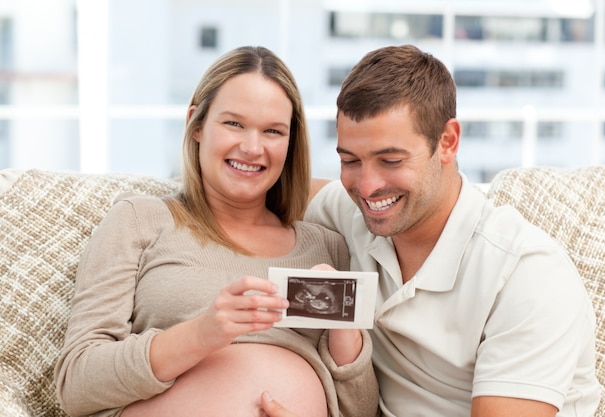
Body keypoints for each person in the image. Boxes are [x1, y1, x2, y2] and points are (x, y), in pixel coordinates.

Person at [54, 46, 378, 417]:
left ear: (290, 144)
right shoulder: (139, 220)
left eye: (273, 131)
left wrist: (343, 328)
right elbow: (76, 384)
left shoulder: (326, 247)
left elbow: (362, 410)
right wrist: (203, 333)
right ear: (196, 124)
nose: (252, 147)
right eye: (234, 123)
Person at [305, 44, 601, 417]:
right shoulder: (353, 212)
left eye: (391, 160)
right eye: (350, 160)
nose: (366, 186)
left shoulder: (527, 276)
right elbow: (274, 191)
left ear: (447, 142)